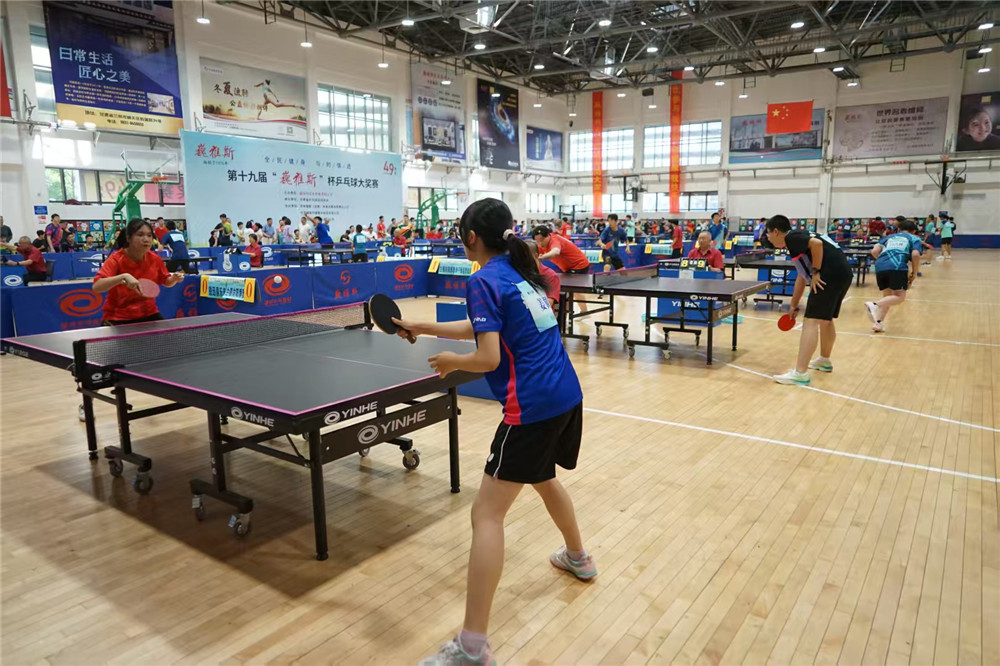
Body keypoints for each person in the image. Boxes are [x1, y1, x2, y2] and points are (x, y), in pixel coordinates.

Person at [397, 199, 593, 666]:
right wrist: (422, 325)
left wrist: (452, 362)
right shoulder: (519, 272)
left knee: (486, 515)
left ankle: (472, 647)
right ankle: (578, 557)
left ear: (470, 238)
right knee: (542, 477)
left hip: (532, 406)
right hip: (565, 394)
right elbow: (488, 328)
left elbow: (487, 357)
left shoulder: (482, 279)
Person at [765, 215, 852, 385]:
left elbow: (817, 244)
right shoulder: (799, 239)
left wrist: (817, 272)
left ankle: (800, 373)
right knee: (825, 320)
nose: (767, 237)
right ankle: (824, 360)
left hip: (828, 275)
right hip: (843, 274)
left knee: (811, 321)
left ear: (776, 231)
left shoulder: (791, 237)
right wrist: (793, 304)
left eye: (768, 233)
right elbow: (801, 276)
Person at [92, 218, 184, 325]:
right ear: (128, 238)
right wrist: (122, 277)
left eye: (149, 235)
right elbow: (97, 287)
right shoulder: (116, 259)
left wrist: (173, 279)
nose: (146, 239)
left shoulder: (154, 258)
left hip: (149, 314)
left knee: (169, 335)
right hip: (118, 318)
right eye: (140, 235)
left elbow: (166, 281)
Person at [865, 219, 922, 333]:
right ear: (914, 231)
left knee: (887, 297)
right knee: (900, 297)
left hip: (880, 265)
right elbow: (915, 254)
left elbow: (874, 251)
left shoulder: (888, 237)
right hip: (897, 266)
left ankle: (878, 323)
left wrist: (884, 263)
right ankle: (875, 305)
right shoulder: (914, 238)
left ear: (899, 229)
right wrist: (914, 273)